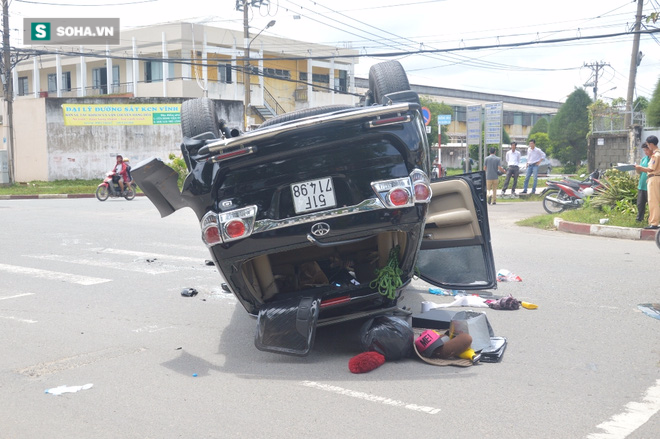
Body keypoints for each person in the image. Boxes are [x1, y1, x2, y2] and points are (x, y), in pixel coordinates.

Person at [635, 135, 660, 229]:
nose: (648, 147)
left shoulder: (655, 155)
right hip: (656, 178)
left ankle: (654, 223)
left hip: (654, 178)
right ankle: (654, 221)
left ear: (651, 144)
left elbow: (650, 169)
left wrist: (639, 168)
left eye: (648, 145)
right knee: (654, 201)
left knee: (653, 201)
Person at [635, 143, 652, 223]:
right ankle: (639, 219)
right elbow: (640, 172)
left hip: (650, 186)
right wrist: (637, 169)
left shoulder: (655, 159)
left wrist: (641, 168)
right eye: (644, 150)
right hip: (642, 186)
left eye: (647, 150)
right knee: (640, 204)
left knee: (651, 204)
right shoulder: (644, 159)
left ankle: (650, 219)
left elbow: (650, 170)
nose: (645, 152)